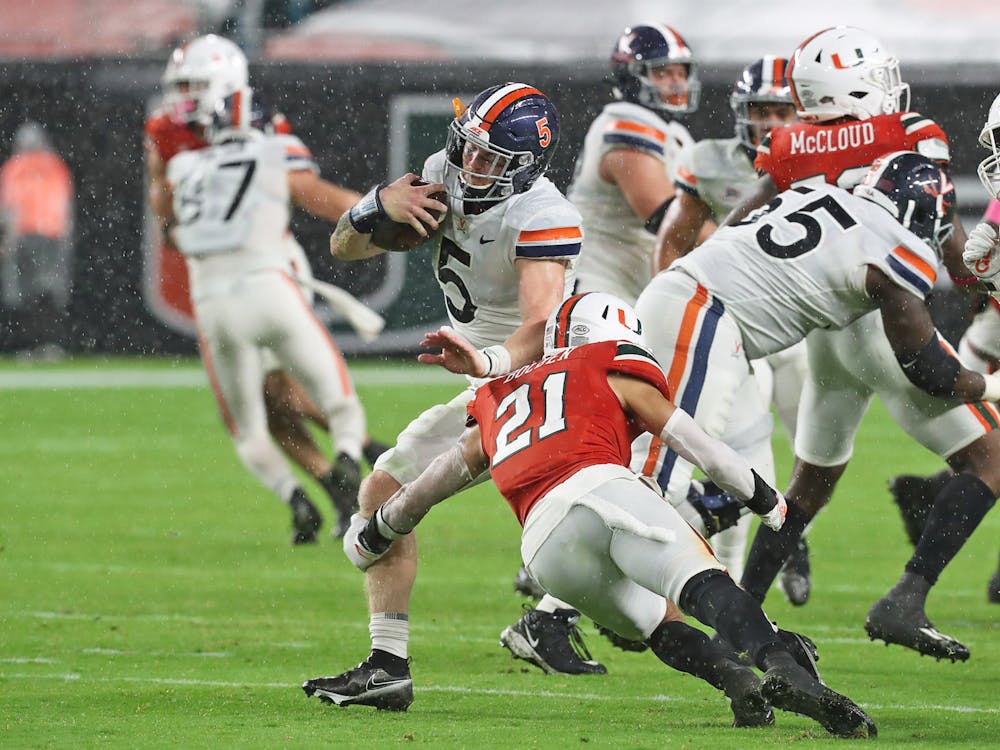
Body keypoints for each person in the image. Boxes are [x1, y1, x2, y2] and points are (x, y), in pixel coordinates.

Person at [308, 292, 876, 739]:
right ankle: (784, 667)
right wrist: (768, 501)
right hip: (601, 487)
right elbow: (695, 444)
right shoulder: (612, 363)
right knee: (699, 580)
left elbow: (433, 484)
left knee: (656, 622)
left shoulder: (500, 395)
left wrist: (380, 528)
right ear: (619, 333)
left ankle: (737, 683)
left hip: (544, 546)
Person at [714, 28, 998, 661]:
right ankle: (907, 598)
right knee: (991, 460)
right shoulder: (909, 133)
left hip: (824, 329)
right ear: (858, 84)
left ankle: (737, 618)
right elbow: (945, 231)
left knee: (808, 488)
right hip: (885, 321)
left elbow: (741, 229)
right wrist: (977, 282)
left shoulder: (788, 145)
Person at [303, 82, 589, 709]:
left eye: (488, 159)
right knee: (382, 487)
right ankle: (387, 666)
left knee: (583, 532)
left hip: (543, 386)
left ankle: (732, 640)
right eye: (466, 148)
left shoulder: (540, 214)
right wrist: (372, 207)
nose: (468, 167)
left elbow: (541, 332)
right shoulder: (442, 175)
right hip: (490, 381)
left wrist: (485, 362)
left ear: (525, 168)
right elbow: (343, 249)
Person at [146, 34, 385, 541]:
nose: (183, 99)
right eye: (180, 86)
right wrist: (381, 213)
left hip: (240, 280)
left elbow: (168, 216)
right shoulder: (187, 136)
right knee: (280, 399)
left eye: (195, 86)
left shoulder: (219, 143)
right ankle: (348, 461)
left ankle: (346, 465)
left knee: (276, 396)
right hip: (254, 278)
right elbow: (308, 193)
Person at [653, 55, 810, 599]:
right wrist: (672, 307)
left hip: (800, 325)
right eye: (759, 110)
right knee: (738, 446)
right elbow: (675, 238)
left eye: (780, 110)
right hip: (732, 324)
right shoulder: (712, 161)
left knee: (809, 452)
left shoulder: (827, 163)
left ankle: (786, 528)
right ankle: (746, 559)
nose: (769, 122)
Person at [896, 93, 1000, 606]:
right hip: (991, 338)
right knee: (993, 458)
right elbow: (977, 283)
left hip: (987, 335)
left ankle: (932, 492)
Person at [568, 22, 699, 303]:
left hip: (633, 287)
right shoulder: (624, 123)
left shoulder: (676, 134)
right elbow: (671, 219)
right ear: (631, 77)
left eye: (681, 72)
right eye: (663, 72)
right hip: (598, 286)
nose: (676, 82)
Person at [0, 121, 74, 360]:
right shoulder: (55, 166)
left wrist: (7, 241)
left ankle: (32, 345)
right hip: (48, 235)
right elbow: (65, 207)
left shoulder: (15, 167)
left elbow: (8, 208)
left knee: (27, 295)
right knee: (47, 293)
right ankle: (46, 344)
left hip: (26, 235)